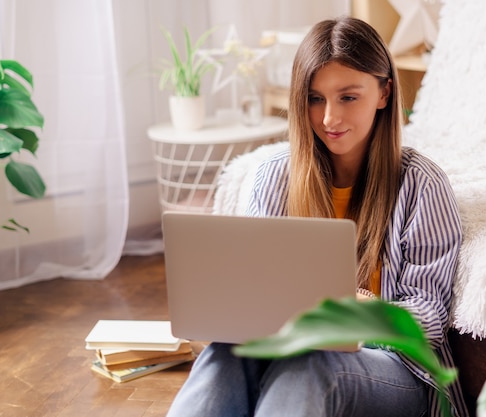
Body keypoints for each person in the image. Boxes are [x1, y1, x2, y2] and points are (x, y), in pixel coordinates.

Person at [167, 16, 469, 417]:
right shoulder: (275, 176)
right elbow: (252, 289)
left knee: (311, 364)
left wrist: (355, 314)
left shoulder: (421, 185)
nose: (329, 118)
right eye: (314, 98)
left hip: (395, 372)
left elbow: (427, 320)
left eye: (347, 97)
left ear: (383, 93)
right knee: (226, 352)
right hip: (294, 352)